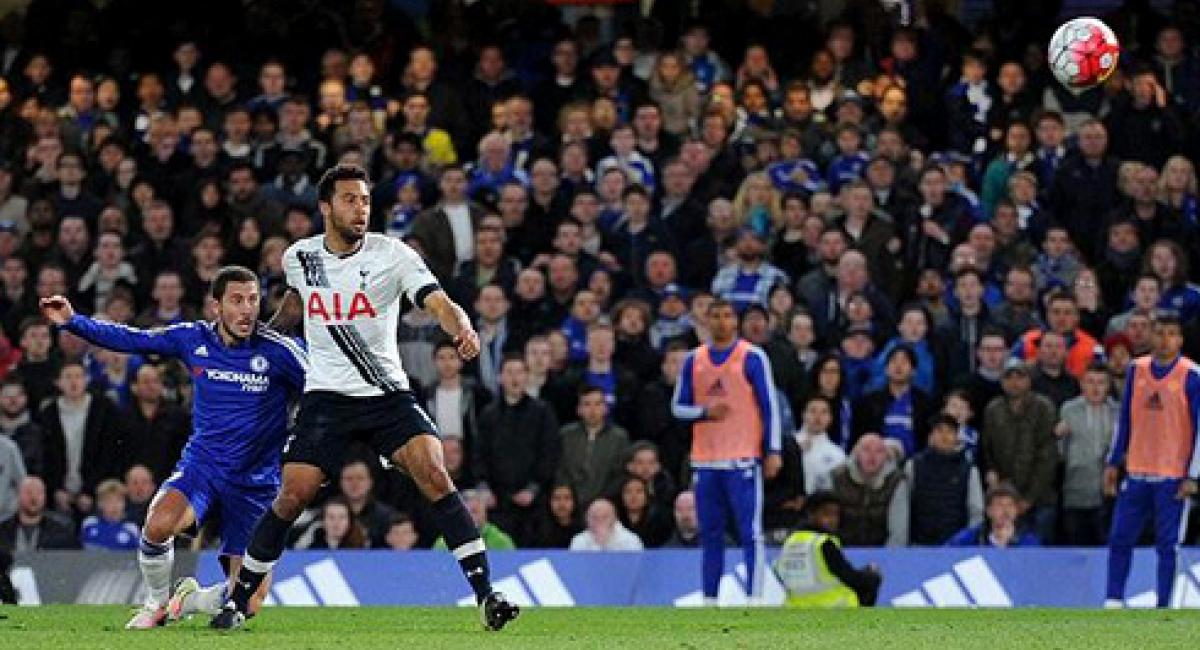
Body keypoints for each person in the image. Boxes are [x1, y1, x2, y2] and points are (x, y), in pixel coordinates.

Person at [215, 165, 519, 631]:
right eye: (350, 200)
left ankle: (486, 596)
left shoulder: (392, 255)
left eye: (365, 200)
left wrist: (461, 326)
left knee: (435, 473)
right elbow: (296, 305)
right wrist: (261, 340)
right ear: (326, 207)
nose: (360, 209)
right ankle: (236, 601)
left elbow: (436, 301)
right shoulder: (300, 256)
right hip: (326, 398)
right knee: (291, 495)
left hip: (385, 395)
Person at [40, 266, 307, 628]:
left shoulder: (283, 352)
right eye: (237, 300)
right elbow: (132, 339)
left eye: (253, 300)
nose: (247, 309)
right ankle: (156, 603)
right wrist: (74, 321)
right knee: (158, 525)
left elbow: (328, 392)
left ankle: (190, 599)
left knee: (250, 601)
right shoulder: (192, 338)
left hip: (256, 482)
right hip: (205, 467)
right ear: (216, 306)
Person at [672, 299, 782, 604]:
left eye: (727, 316)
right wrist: (705, 412)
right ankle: (710, 600)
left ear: (736, 322)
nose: (721, 322)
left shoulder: (752, 357)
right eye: (715, 316)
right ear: (706, 321)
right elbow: (677, 407)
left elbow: (768, 405)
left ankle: (755, 599)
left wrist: (772, 450)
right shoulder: (694, 360)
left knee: (750, 533)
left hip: (742, 459)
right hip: (706, 460)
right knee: (710, 535)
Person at [1105, 313, 1200, 609]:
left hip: (1171, 476)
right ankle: (1113, 600)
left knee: (1167, 546)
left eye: (1171, 334)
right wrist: (1113, 460)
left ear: (1180, 340)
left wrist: (1194, 475)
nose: (1164, 340)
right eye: (1159, 333)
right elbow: (1125, 419)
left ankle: (1163, 605)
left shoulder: (1191, 374)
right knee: (1120, 538)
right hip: (1136, 471)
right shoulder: (1137, 369)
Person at [980, 358, 1059, 543]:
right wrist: (992, 475)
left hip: (1040, 499)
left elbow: (1047, 456)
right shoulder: (993, 409)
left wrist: (1028, 498)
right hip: (1004, 498)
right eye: (1009, 377)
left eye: (1020, 377)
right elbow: (987, 448)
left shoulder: (1043, 407)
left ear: (1029, 380)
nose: (1014, 382)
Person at [887, 415, 984, 546]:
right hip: (919, 546)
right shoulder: (913, 466)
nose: (944, 436)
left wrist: (968, 544)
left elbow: (976, 512)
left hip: (956, 548)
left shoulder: (969, 470)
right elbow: (903, 508)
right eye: (939, 430)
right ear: (931, 436)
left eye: (949, 431)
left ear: (957, 437)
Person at [775, 491, 882, 607]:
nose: (833, 520)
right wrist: (871, 576)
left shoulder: (790, 541)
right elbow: (849, 577)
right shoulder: (823, 543)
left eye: (835, 515)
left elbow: (779, 572)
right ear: (811, 514)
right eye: (826, 514)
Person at [1057, 363, 1117, 546]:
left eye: (1101, 382)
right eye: (1090, 382)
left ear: (1108, 385)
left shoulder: (1118, 412)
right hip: (1076, 491)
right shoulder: (1068, 410)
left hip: (1108, 494)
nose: (1096, 388)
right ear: (1082, 384)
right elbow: (1061, 451)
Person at [556, 386, 630, 510]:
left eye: (598, 404)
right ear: (579, 409)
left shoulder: (619, 438)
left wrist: (602, 500)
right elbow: (560, 468)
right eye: (587, 404)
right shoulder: (566, 435)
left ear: (605, 408)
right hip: (569, 504)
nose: (592, 410)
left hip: (605, 504)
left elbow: (620, 474)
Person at [0, 476, 78, 552]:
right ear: (18, 495)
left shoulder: (61, 534)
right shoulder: (2, 532)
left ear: (45, 497)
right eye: (28, 492)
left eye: (39, 493)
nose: (34, 497)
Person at [434, 489, 516, 551]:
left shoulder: (500, 541)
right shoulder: (445, 541)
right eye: (466, 513)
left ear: (484, 513)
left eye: (475, 511)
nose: (470, 517)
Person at [80, 478, 141, 551]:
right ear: (100, 504)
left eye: (118, 500)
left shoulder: (131, 528)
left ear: (124, 504)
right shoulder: (90, 523)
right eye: (109, 501)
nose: (114, 505)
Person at [568, 497, 643, 551]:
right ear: (587, 519)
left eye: (605, 517)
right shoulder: (578, 541)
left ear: (614, 519)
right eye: (594, 517)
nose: (599, 520)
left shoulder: (631, 540)